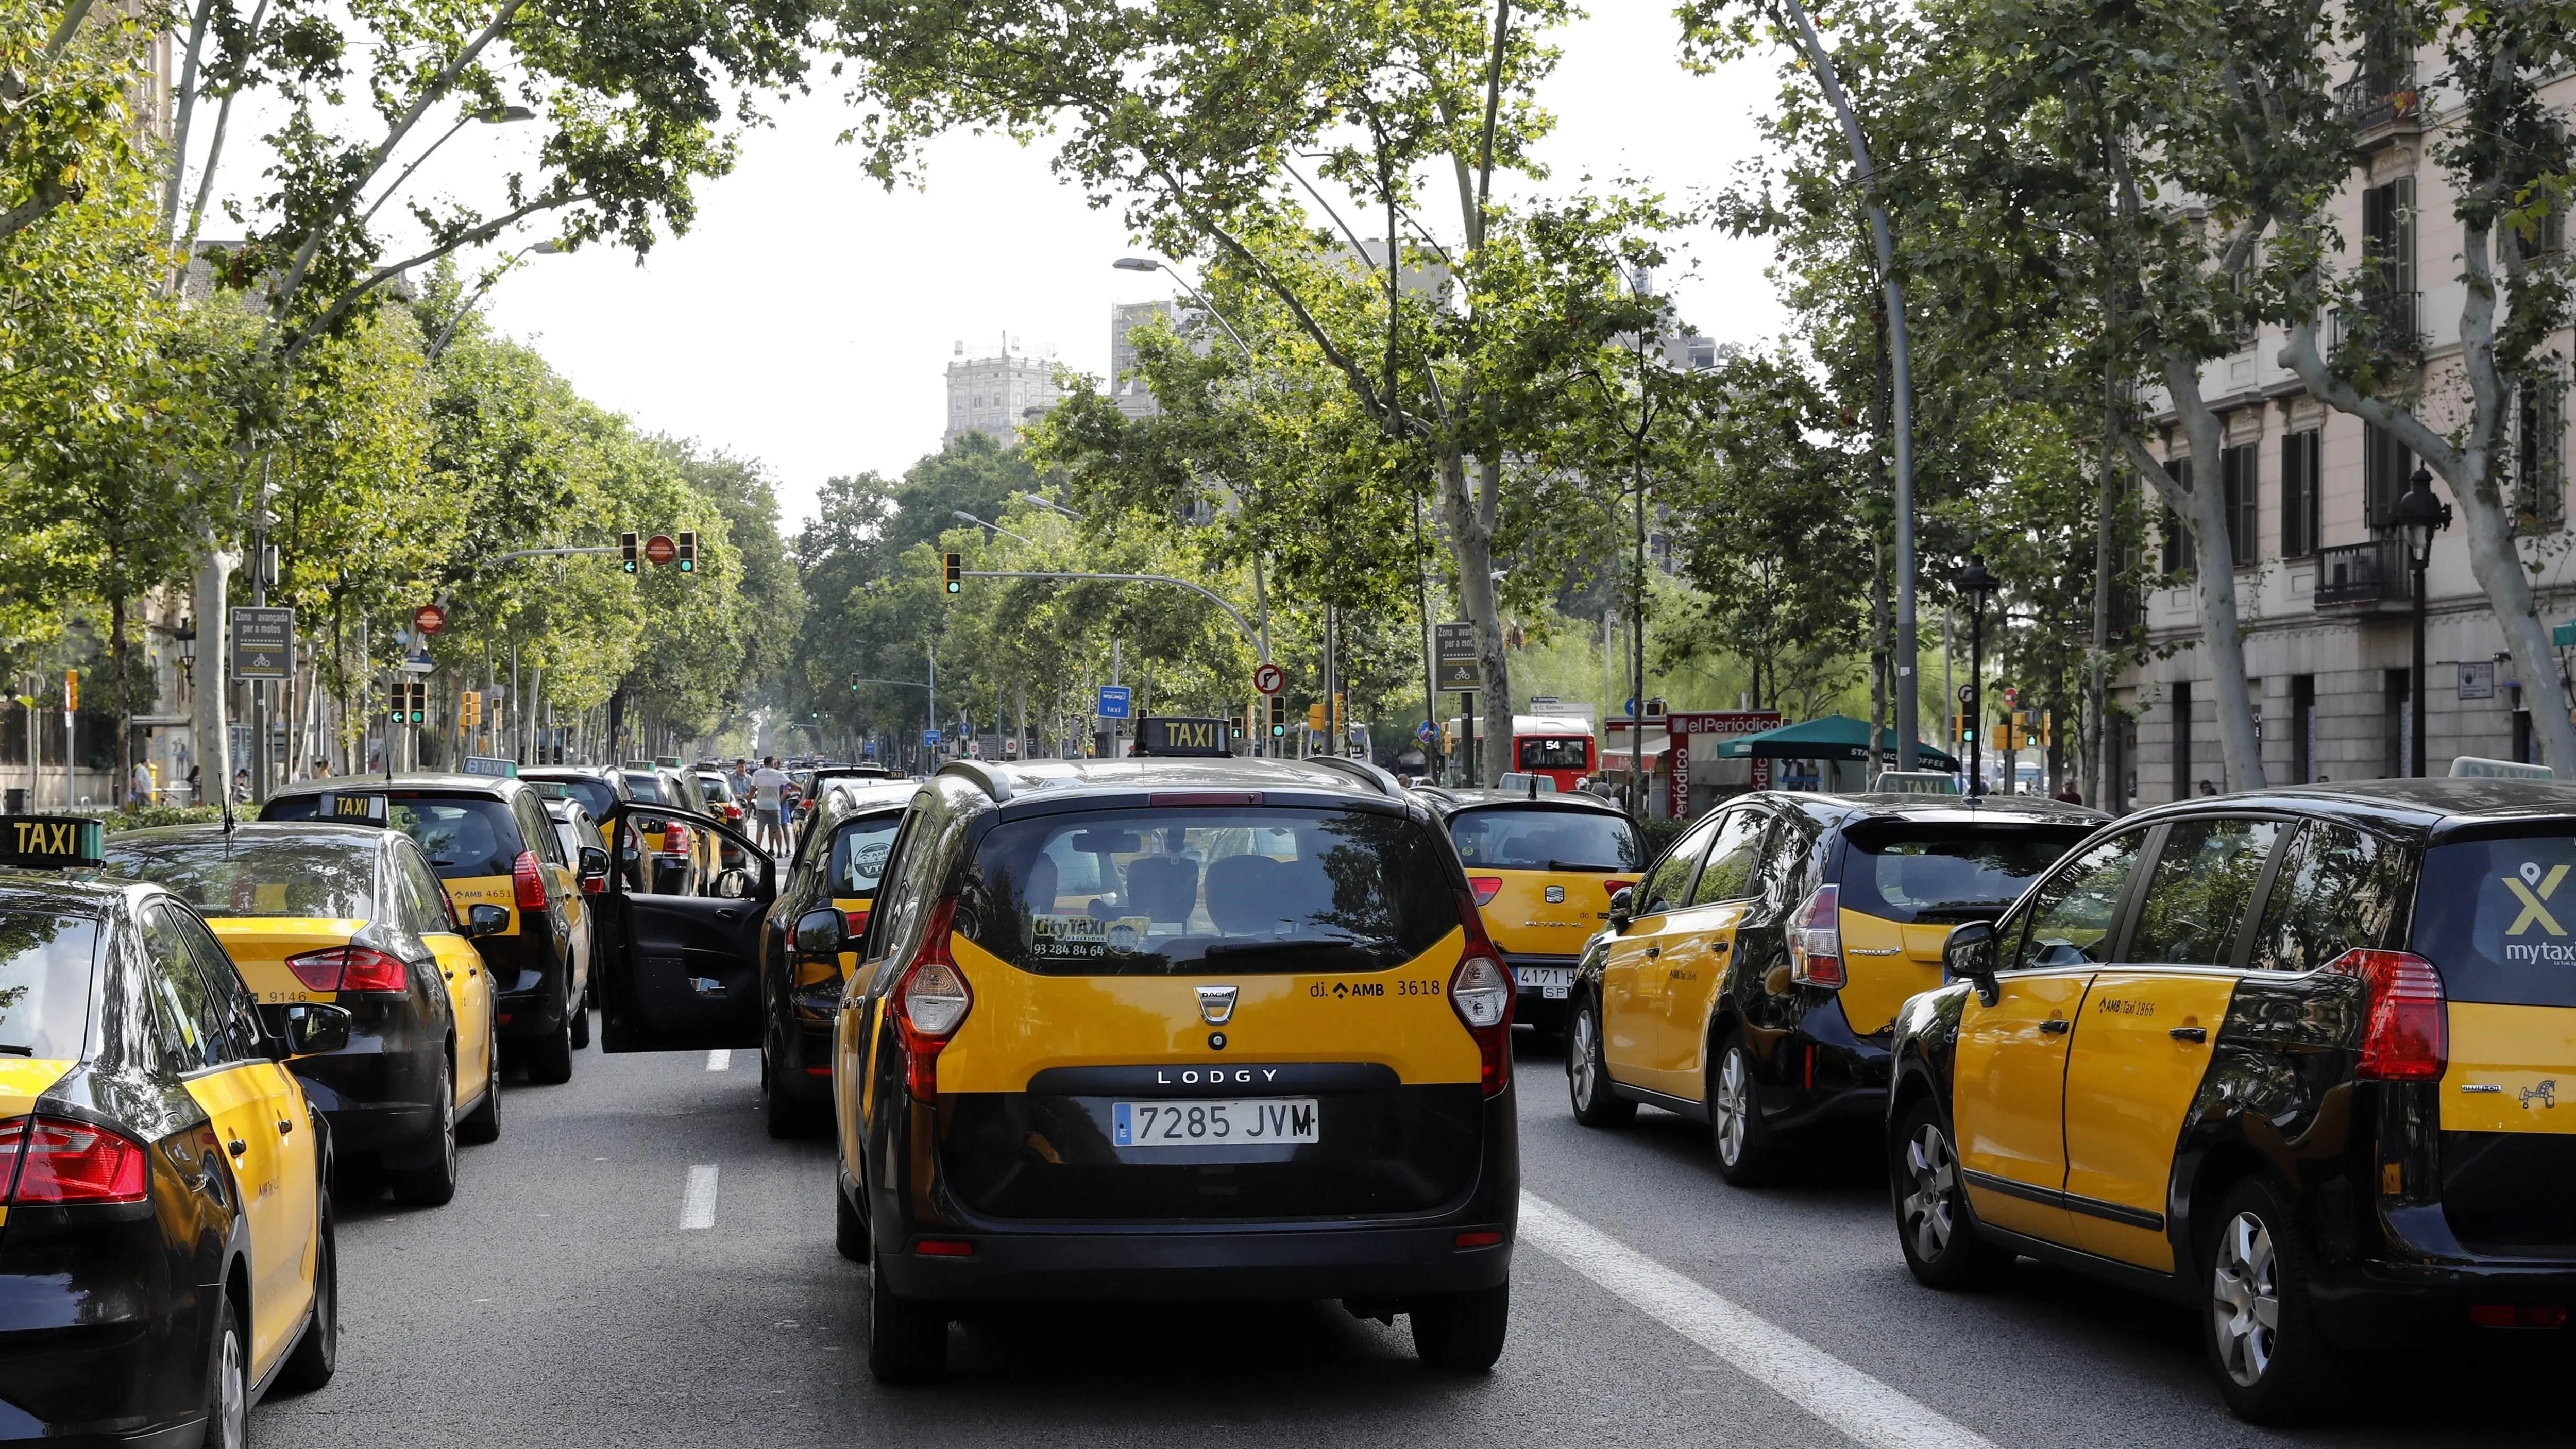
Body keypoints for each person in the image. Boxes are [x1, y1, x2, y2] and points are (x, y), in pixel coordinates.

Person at [749, 756, 790, 854]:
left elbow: (752, 789)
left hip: (761, 806)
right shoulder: (778, 774)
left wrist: (749, 800)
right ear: (772, 764)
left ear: (764, 764)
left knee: (760, 829)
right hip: (774, 806)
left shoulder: (757, 774)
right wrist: (799, 788)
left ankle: (758, 851)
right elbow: (789, 785)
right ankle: (780, 851)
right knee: (777, 829)